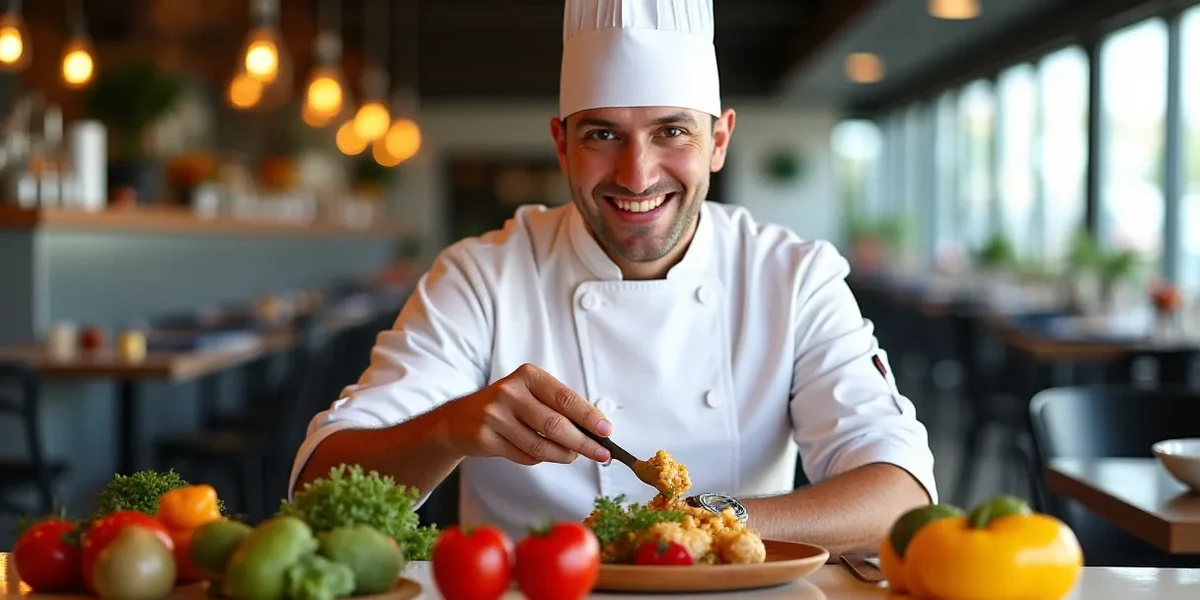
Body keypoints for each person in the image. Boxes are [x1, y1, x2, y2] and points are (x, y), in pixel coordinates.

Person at [290, 0, 936, 557]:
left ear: (719, 140)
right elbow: (320, 489)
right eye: (603, 135)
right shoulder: (481, 275)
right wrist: (449, 427)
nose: (636, 174)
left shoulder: (793, 277)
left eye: (671, 133)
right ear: (562, 143)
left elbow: (899, 493)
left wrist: (712, 524)